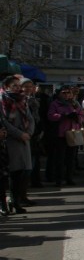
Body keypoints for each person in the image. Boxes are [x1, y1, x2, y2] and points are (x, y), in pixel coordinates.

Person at [1, 77, 35, 214]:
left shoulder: (22, 100)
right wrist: (19, 134)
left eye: (17, 85)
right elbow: (3, 122)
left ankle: (16, 202)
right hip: (9, 140)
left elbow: (30, 118)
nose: (16, 88)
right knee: (8, 174)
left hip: (24, 140)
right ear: (7, 86)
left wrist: (29, 133)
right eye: (13, 85)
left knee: (21, 173)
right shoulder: (3, 100)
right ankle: (5, 203)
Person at [47, 85, 84, 188]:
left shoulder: (75, 104)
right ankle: (58, 179)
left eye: (68, 93)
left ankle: (69, 178)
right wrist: (63, 116)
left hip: (73, 133)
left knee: (71, 158)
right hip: (61, 134)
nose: (67, 95)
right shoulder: (55, 103)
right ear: (59, 93)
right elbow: (50, 116)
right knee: (60, 158)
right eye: (64, 92)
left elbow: (82, 115)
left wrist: (78, 117)